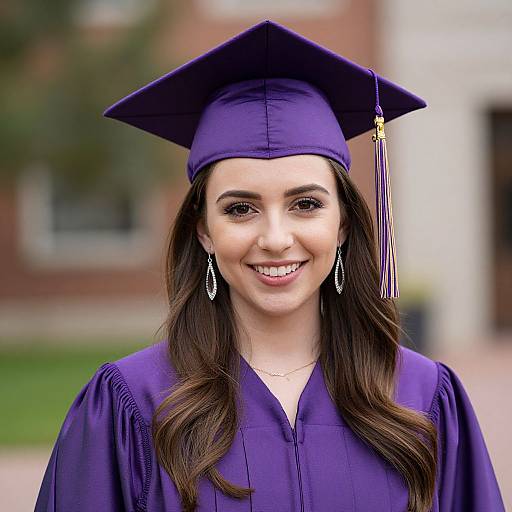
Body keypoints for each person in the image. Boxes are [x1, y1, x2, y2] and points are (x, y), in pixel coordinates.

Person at [34, 19, 505, 512]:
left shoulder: (425, 399)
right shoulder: (131, 406)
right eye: (241, 208)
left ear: (343, 224)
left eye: (306, 204)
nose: (277, 239)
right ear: (204, 231)